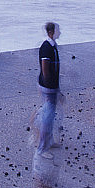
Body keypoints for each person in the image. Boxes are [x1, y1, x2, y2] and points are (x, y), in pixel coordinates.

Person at [35, 22, 61, 156]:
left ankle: (49, 142)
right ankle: (42, 148)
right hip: (48, 86)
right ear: (51, 32)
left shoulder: (53, 46)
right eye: (58, 30)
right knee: (48, 116)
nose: (60, 32)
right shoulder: (46, 47)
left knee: (49, 114)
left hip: (51, 85)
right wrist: (51, 85)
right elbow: (45, 69)